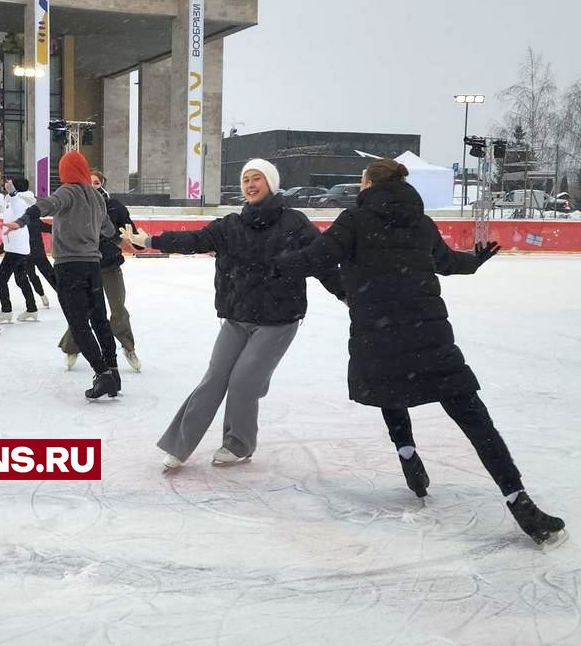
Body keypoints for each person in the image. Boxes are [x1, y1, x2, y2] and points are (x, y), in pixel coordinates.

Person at [271, 158, 564, 544]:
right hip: (431, 337)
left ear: (370, 183)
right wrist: (474, 261)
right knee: (475, 419)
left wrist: (275, 263)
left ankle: (408, 456)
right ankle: (519, 500)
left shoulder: (354, 220)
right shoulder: (421, 222)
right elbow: (446, 263)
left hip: (379, 333)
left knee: (391, 389)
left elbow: (317, 259)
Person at [122, 159, 345, 468]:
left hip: (278, 321)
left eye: (257, 179)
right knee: (214, 379)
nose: (250, 185)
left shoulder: (294, 224)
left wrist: (348, 295)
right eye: (245, 180)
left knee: (243, 382)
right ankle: (180, 445)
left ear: (271, 183)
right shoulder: (231, 225)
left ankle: (239, 443)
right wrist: (149, 241)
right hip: (237, 317)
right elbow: (194, 240)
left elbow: (322, 262)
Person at [5, 151, 119, 399]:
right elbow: (108, 228)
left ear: (66, 171)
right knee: (99, 320)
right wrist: (122, 240)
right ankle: (113, 369)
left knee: (79, 324)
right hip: (92, 265)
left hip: (70, 266)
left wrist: (22, 220)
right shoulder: (97, 197)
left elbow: (46, 205)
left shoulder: (68, 191)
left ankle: (103, 375)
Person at [60, 170, 141, 372]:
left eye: (96, 183)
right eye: (89, 182)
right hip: (86, 267)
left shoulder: (115, 207)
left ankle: (129, 348)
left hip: (111, 266)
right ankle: (72, 347)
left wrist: (138, 242)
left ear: (102, 185)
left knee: (118, 309)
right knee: (84, 311)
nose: (93, 186)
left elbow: (129, 231)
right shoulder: (78, 206)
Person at [0, 177, 39, 323]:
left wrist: (12, 195)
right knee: (21, 279)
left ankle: (6, 310)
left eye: (9, 186)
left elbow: (17, 206)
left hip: (16, 248)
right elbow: (2, 200)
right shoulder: (11, 200)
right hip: (17, 247)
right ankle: (32, 309)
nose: (6, 187)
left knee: (0, 279)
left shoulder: (20, 201)